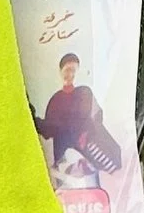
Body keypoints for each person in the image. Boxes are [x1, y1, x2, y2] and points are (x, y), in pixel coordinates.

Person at [34, 52, 123, 190]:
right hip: (66, 158)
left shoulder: (84, 92)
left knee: (106, 181)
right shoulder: (55, 100)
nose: (70, 74)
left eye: (74, 70)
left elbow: (96, 115)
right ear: (60, 71)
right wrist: (32, 118)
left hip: (92, 147)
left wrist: (86, 134)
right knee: (71, 191)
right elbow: (48, 129)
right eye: (67, 70)